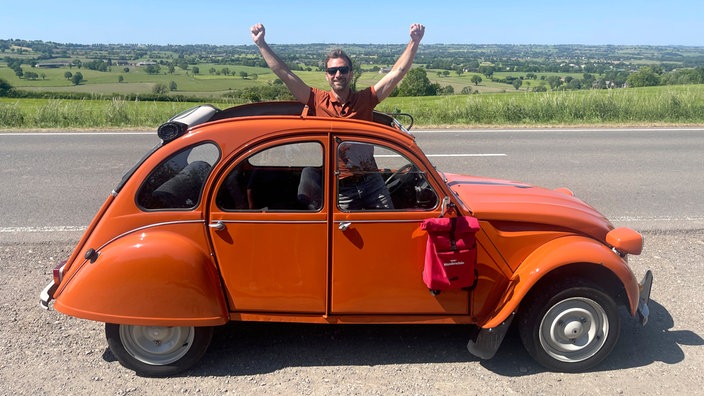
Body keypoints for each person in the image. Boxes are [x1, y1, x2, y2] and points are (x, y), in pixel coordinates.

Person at [250, 23, 425, 210]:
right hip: (339, 186)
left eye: (343, 70)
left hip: (371, 181)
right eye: (332, 71)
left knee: (386, 225)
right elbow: (284, 73)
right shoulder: (317, 100)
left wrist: (414, 42)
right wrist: (261, 44)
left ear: (351, 74)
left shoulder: (365, 99)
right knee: (345, 235)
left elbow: (396, 74)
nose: (338, 74)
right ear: (327, 76)